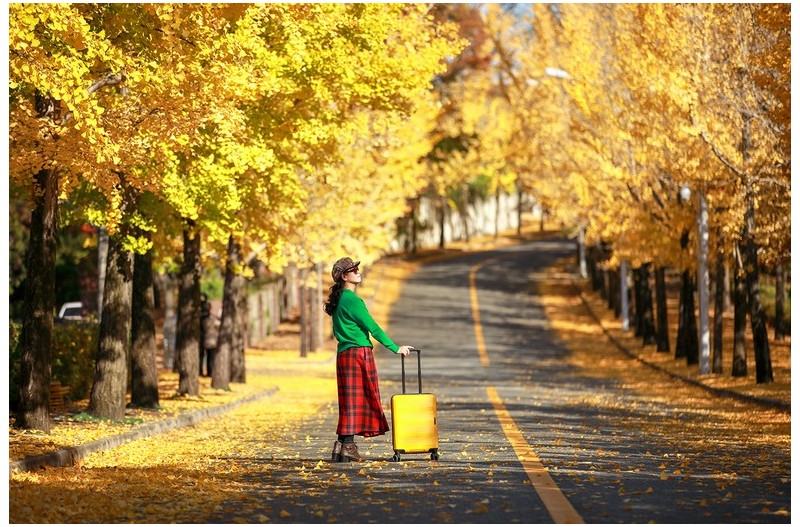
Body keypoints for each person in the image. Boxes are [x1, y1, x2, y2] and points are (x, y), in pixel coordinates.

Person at [324, 257, 413, 462]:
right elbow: (373, 327)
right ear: (344, 276)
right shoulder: (352, 300)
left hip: (344, 354)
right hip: (358, 354)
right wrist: (395, 348)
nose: (358, 271)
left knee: (350, 401)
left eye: (357, 268)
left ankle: (342, 445)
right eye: (353, 270)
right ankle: (347, 445)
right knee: (358, 399)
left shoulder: (340, 300)